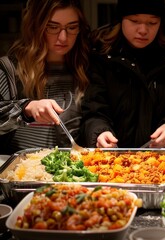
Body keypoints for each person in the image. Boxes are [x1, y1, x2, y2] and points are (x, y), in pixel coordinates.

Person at [80, 0, 165, 150]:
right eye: (134, 21)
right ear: (121, 20)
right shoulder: (102, 59)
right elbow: (93, 112)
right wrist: (100, 132)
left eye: (152, 23)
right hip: (111, 158)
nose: (143, 30)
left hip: (157, 160)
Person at [0, 0, 91, 154]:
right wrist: (26, 108)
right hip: (21, 170)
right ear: (36, 26)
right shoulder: (9, 68)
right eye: (53, 27)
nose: (63, 37)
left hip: (73, 168)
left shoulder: (87, 68)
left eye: (72, 27)